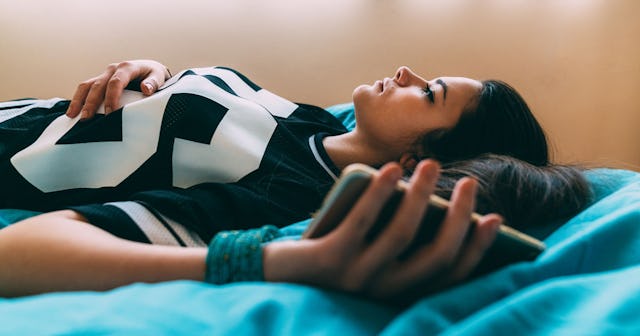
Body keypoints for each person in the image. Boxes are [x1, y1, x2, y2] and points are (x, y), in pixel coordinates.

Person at [0, 60, 570, 299]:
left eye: (428, 94)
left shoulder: (285, 194)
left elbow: (18, 250)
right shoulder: (315, 121)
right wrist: (153, 74)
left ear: (419, 161)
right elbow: (186, 108)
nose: (406, 72)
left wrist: (268, 261)